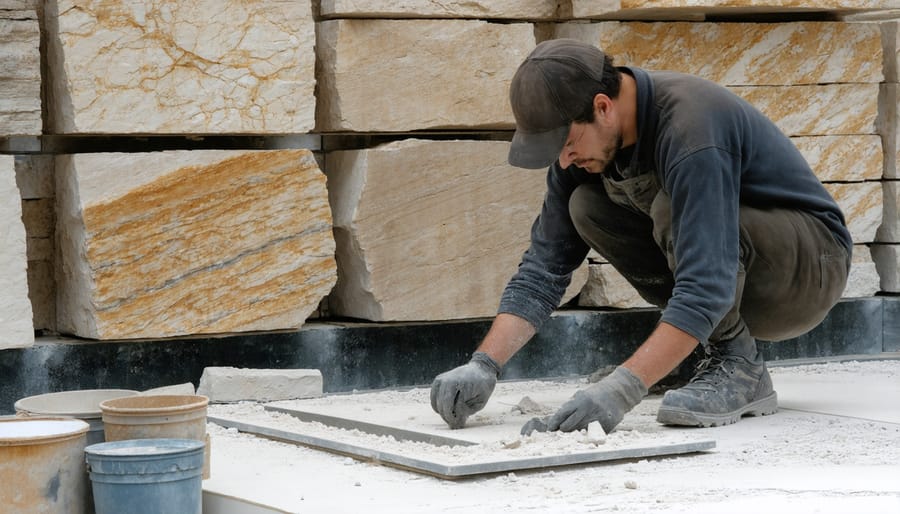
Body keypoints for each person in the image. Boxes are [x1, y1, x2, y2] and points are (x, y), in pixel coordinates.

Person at [430, 38, 851, 434]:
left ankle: (739, 364)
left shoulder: (689, 126)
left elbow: (706, 284)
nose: (564, 158)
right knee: (586, 207)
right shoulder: (583, 153)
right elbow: (544, 266)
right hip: (733, 270)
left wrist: (622, 389)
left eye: (569, 141)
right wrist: (484, 364)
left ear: (602, 107)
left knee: (669, 208)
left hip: (807, 270)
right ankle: (697, 351)